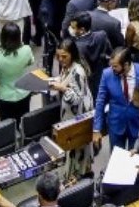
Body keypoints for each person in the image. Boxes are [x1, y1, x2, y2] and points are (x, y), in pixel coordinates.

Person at [93, 47, 139, 151]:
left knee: (135, 161)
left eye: (115, 67)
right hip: (116, 125)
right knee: (116, 161)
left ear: (126, 64)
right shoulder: (107, 74)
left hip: (138, 125)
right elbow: (100, 102)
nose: (112, 69)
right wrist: (96, 129)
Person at [49, 38, 94, 180]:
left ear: (72, 55)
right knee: (73, 148)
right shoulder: (66, 66)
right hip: (70, 113)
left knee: (78, 147)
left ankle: (80, 176)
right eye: (58, 56)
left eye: (64, 56)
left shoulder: (78, 72)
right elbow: (66, 80)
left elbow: (76, 99)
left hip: (79, 114)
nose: (61, 59)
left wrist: (61, 87)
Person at [0, 21, 35, 121]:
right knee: (24, 122)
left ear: (2, 38)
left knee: (7, 127)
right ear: (19, 37)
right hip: (24, 94)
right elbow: (31, 61)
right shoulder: (27, 49)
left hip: (4, 98)